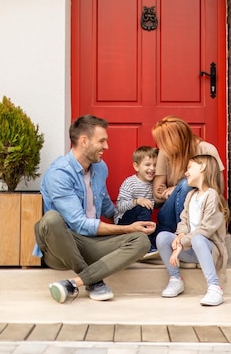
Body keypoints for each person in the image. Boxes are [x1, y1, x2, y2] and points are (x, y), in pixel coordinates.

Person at [33, 115, 156, 304]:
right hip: (61, 247)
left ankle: (74, 282)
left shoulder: (100, 168)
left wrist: (131, 217)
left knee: (140, 241)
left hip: (90, 244)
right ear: (84, 141)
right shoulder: (59, 174)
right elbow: (79, 224)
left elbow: (106, 206)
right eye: (102, 141)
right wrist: (126, 229)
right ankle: (95, 281)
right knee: (51, 219)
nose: (106, 147)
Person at [156, 154, 229, 306]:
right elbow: (184, 220)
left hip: (209, 250)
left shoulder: (212, 196)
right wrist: (180, 235)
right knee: (162, 237)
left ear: (202, 167)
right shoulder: (191, 195)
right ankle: (175, 279)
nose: (186, 172)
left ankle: (215, 287)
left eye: (190, 167)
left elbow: (205, 230)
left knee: (198, 238)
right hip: (190, 250)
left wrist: (180, 244)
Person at [152, 116, 224, 239]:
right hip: (170, 216)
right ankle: (183, 235)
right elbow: (157, 197)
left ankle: (186, 236)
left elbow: (217, 190)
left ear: (176, 139)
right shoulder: (164, 153)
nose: (160, 146)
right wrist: (166, 194)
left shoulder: (206, 150)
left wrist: (177, 188)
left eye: (163, 141)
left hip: (201, 216)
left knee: (185, 184)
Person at [115, 145, 159, 258]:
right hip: (125, 221)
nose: (152, 168)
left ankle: (155, 244)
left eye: (155, 165)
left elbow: (154, 204)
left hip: (143, 219)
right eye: (148, 165)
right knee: (143, 207)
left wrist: (161, 194)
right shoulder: (130, 183)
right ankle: (146, 247)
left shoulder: (154, 183)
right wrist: (136, 201)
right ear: (136, 166)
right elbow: (120, 206)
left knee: (158, 227)